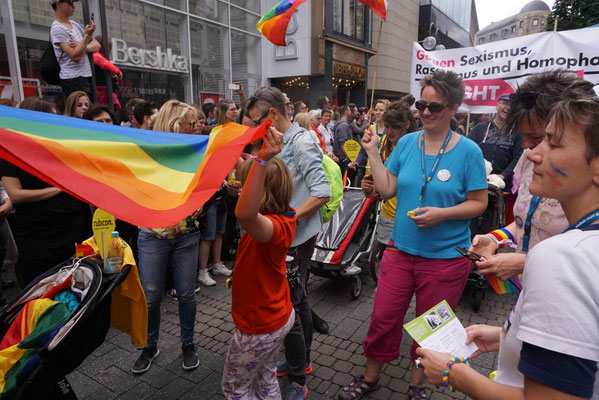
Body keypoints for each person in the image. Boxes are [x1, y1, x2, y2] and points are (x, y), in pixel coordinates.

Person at [416, 77, 599, 400]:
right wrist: (508, 335)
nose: (530, 152)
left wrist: (452, 373)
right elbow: (525, 224)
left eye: (549, 141)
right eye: (524, 138)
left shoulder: (564, 258)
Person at [338, 70, 488, 400]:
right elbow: (388, 189)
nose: (426, 112)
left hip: (447, 258)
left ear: (453, 108)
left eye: (436, 107)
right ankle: (370, 378)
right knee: (383, 318)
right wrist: (374, 153)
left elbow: (479, 203)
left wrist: (442, 215)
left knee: (430, 328)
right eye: (422, 105)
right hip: (400, 251)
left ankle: (416, 385)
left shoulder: (468, 152)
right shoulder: (406, 143)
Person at [246, 87, 330, 400]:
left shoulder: (302, 139)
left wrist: (288, 220)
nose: (255, 128)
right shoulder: (277, 141)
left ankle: (297, 377)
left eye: (257, 121)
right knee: (299, 299)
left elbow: (321, 192)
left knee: (290, 305)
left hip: (296, 237)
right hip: (286, 235)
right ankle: (301, 361)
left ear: (273, 114)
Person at [469, 71, 581, 282]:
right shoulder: (529, 160)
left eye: (539, 137)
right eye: (522, 134)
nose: (525, 147)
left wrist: (525, 262)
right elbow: (528, 220)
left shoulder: (585, 178)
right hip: (527, 289)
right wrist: (494, 239)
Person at [221, 129, 296, 400]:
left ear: (261, 192)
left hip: (260, 326)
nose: (241, 189)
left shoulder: (272, 228)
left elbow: (243, 212)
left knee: (235, 388)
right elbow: (246, 171)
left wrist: (262, 160)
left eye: (246, 185)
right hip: (278, 317)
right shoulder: (282, 216)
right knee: (265, 375)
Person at [132, 100, 202, 374]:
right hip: (151, 235)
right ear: (174, 125)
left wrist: (200, 204)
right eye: (191, 124)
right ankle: (149, 346)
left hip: (186, 235)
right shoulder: (146, 150)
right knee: (150, 298)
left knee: (186, 294)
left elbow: (204, 184)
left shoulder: (195, 151)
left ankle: (188, 344)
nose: (197, 128)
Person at [0, 97, 91, 287]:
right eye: (50, 118)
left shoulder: (62, 148)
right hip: (37, 234)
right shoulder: (12, 154)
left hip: (72, 228)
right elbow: (16, 195)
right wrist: (58, 189)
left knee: (74, 284)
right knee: (39, 288)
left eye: (56, 117)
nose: (56, 122)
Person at [361, 99, 418, 263]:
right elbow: (374, 190)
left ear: (407, 125)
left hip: (411, 220)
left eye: (395, 127)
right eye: (387, 126)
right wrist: (367, 187)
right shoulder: (381, 143)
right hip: (387, 216)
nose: (390, 131)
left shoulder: (418, 147)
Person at [468, 93, 523, 194]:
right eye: (505, 103)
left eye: (512, 105)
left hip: (503, 185)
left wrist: (503, 175)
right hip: (478, 181)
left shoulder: (517, 132)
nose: (508, 108)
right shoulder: (481, 127)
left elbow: (519, 157)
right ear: (497, 105)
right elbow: (467, 148)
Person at [49, 0, 100, 99]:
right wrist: (86, 36)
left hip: (85, 75)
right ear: (59, 3)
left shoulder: (74, 24)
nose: (74, 7)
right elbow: (75, 56)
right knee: (80, 111)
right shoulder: (57, 28)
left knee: (89, 110)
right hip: (72, 78)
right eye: (70, 3)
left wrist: (81, 46)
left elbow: (96, 45)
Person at [92, 35, 122, 110]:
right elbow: (107, 65)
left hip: (103, 90)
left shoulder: (97, 57)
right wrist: (119, 73)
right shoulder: (96, 56)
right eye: (111, 48)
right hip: (102, 91)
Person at [333, 105, 354, 177]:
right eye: (349, 110)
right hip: (343, 158)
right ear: (346, 112)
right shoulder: (343, 125)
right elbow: (342, 143)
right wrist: (348, 156)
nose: (351, 112)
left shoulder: (344, 124)